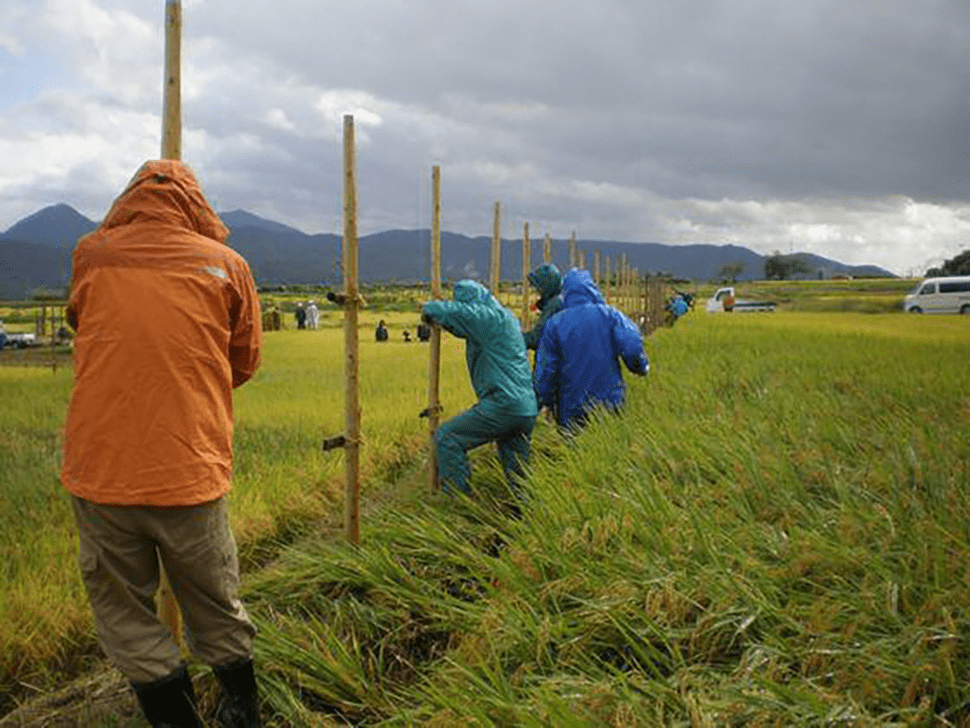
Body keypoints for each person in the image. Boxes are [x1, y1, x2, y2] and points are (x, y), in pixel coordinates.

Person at [61, 160, 263, 728]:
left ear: (126, 199)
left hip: (99, 470)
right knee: (214, 597)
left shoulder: (91, 255)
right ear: (197, 206)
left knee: (124, 610)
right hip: (188, 468)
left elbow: (86, 324)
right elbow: (243, 362)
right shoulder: (229, 266)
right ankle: (241, 706)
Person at [421, 280, 538, 497]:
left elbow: (453, 312)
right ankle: (527, 515)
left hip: (504, 405)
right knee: (519, 476)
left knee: (447, 437)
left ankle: (460, 504)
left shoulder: (488, 319)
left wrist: (429, 308)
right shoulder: (506, 318)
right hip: (525, 408)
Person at [535, 268, 648, 430]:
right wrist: (640, 367)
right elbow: (632, 346)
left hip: (571, 406)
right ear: (593, 289)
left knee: (574, 451)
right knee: (611, 446)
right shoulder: (610, 315)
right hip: (610, 402)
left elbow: (546, 369)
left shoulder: (555, 324)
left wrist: (543, 400)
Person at [521, 263, 564, 352]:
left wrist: (512, 339)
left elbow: (537, 338)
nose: (537, 291)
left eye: (539, 287)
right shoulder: (561, 299)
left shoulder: (554, 305)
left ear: (546, 285)